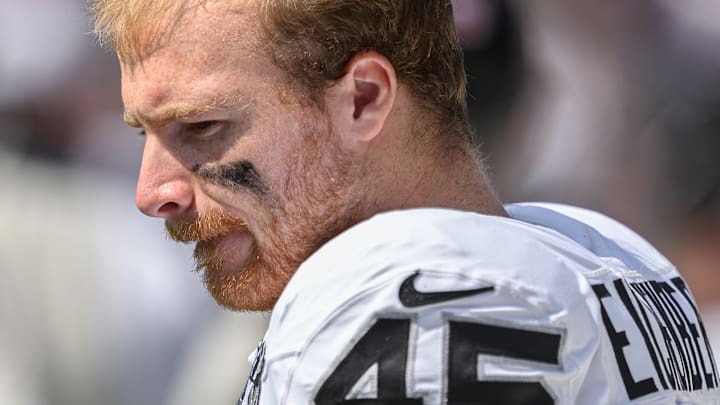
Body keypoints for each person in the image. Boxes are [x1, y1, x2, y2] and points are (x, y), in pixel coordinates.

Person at [89, 1, 719, 403]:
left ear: (362, 98)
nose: (152, 193)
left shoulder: (407, 295)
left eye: (200, 128)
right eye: (143, 135)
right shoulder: (602, 248)